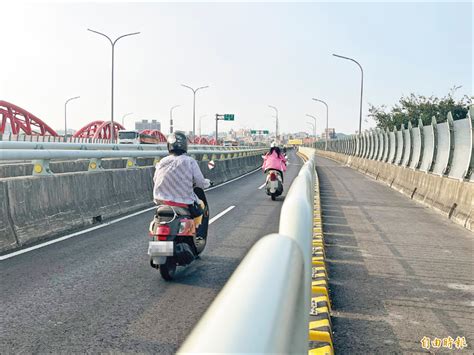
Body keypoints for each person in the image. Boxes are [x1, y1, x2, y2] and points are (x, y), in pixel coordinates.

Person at [153, 131, 211, 238]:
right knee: (202, 210)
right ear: (185, 146)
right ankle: (198, 236)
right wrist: (207, 183)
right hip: (182, 203)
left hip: (161, 202)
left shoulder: (162, 162)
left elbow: (155, 179)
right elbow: (200, 182)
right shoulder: (189, 161)